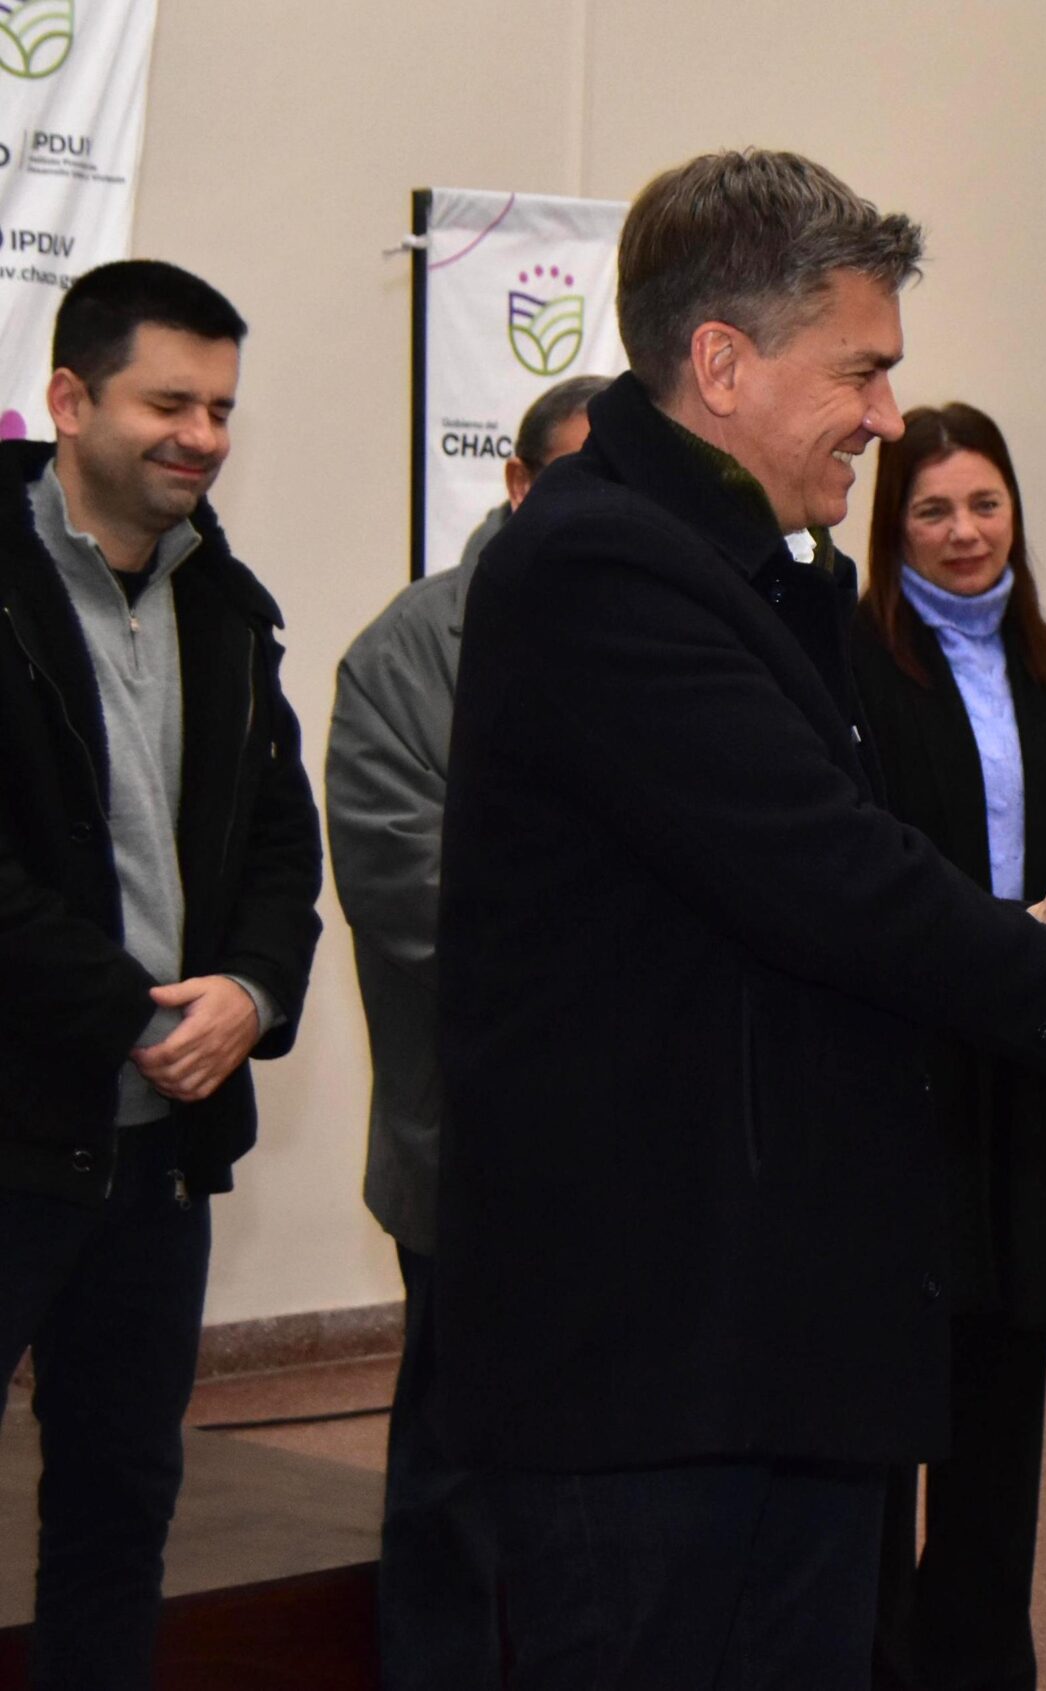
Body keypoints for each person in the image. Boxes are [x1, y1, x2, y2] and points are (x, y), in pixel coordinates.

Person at [431, 150, 1046, 1690]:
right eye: (864, 371)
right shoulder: (599, 561)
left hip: (773, 1334)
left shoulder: (759, 568)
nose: (889, 420)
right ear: (722, 362)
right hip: (652, 1361)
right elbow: (826, 872)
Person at [0, 260, 323, 1689]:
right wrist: (132, 1013)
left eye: (222, 406)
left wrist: (250, 989)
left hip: (158, 1151)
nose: (201, 433)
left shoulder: (228, 606)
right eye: (168, 401)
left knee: (121, 1505)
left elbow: (278, 841)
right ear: (70, 399)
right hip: (14, 1120)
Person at [844, 402, 1046, 1691]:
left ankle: (973, 1664)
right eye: (933, 509)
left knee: (996, 1423)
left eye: (985, 504)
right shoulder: (851, 662)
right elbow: (855, 869)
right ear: (891, 526)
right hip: (898, 1086)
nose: (965, 532)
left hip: (1031, 1078)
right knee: (876, 1420)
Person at [323, 372, 602, 1691]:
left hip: (654, 1153)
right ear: (516, 484)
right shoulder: (403, 654)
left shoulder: (671, 632)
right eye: (578, 479)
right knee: (456, 1476)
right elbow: (415, 903)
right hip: (475, 1151)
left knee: (618, 1483)